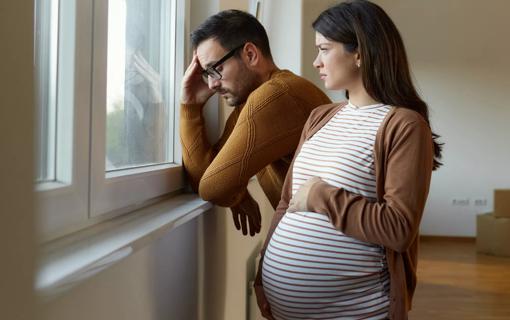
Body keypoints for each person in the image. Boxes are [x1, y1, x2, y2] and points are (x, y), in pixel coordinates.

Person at [254, 1, 443, 319]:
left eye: (325, 49)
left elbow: (398, 228)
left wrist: (321, 196)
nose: (316, 62)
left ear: (360, 53)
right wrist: (263, 278)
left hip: (358, 310)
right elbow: (287, 203)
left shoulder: (404, 126)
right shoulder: (320, 117)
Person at [180, 10, 331, 236]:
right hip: (316, 249)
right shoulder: (251, 102)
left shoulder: (277, 94)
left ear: (250, 54)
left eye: (216, 69)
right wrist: (190, 105)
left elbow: (212, 188)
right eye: (206, 74)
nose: (211, 84)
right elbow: (205, 179)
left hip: (337, 256)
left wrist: (234, 191)